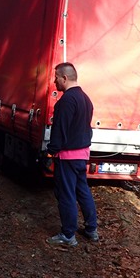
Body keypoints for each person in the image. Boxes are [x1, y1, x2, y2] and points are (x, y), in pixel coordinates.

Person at [46, 62, 99, 247]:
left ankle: (68, 234)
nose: (54, 82)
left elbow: (59, 131)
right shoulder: (86, 99)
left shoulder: (67, 101)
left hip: (67, 156)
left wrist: (50, 152)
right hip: (82, 154)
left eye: (56, 78)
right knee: (83, 191)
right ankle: (91, 229)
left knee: (66, 193)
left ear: (65, 78)